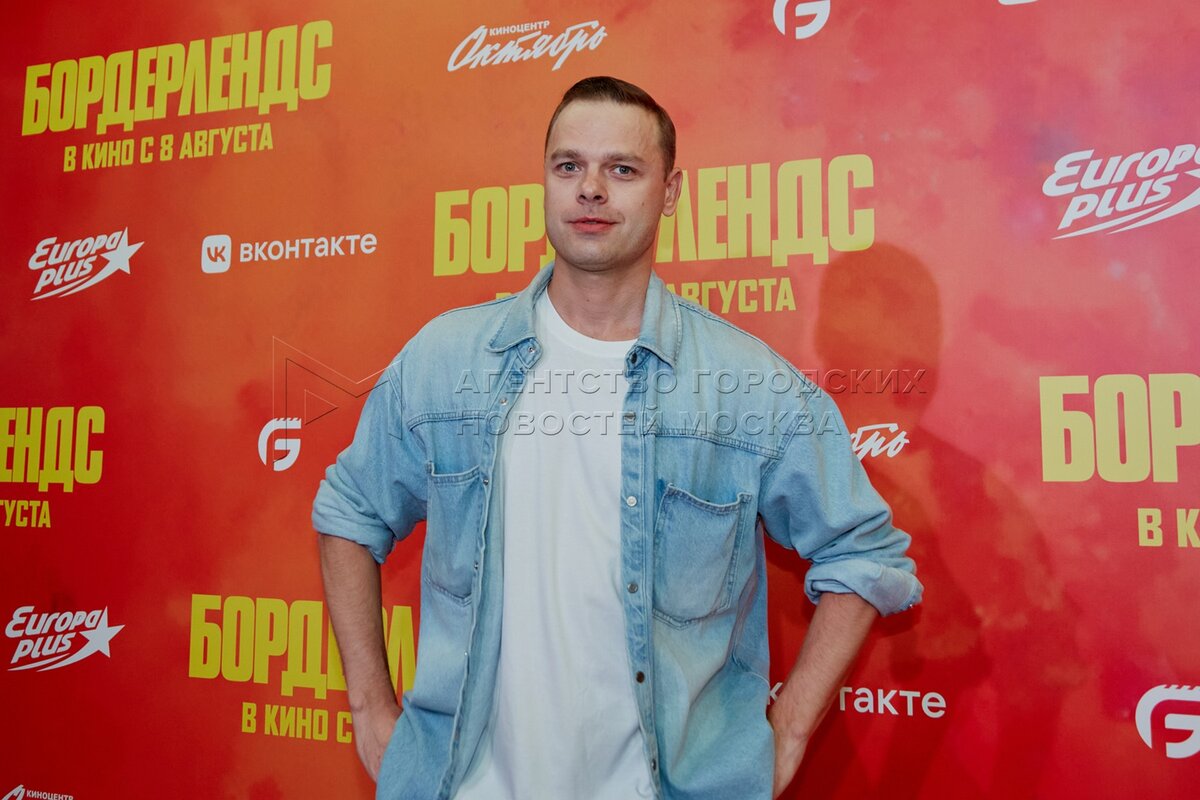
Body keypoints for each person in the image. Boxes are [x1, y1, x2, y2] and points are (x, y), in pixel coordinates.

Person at [313, 76, 921, 800]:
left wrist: (787, 732)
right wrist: (369, 709)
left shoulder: (747, 386)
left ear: (670, 193)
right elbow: (349, 511)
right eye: (568, 165)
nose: (590, 189)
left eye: (622, 169)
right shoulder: (445, 360)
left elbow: (863, 553)